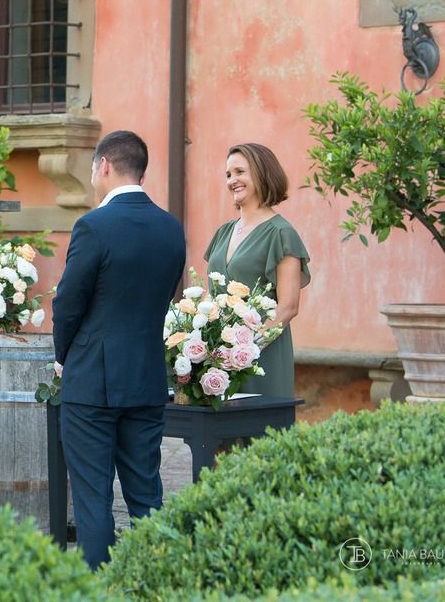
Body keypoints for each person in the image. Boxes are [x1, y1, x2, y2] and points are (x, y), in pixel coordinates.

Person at [51, 130, 186, 568]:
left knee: (93, 500)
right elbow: (165, 296)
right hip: (146, 379)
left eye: (93, 170)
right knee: (147, 494)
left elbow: (68, 304)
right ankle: (153, 583)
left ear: (104, 166)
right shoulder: (171, 227)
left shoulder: (93, 225)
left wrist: (64, 356)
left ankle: (99, 589)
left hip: (91, 382)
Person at [203, 143, 310, 398]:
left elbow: (288, 306)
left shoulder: (281, 233)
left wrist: (246, 351)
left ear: (262, 174)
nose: (232, 180)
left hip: (262, 355)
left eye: (240, 172)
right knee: (219, 435)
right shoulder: (223, 232)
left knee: (259, 433)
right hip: (218, 360)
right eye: (228, 175)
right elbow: (211, 297)